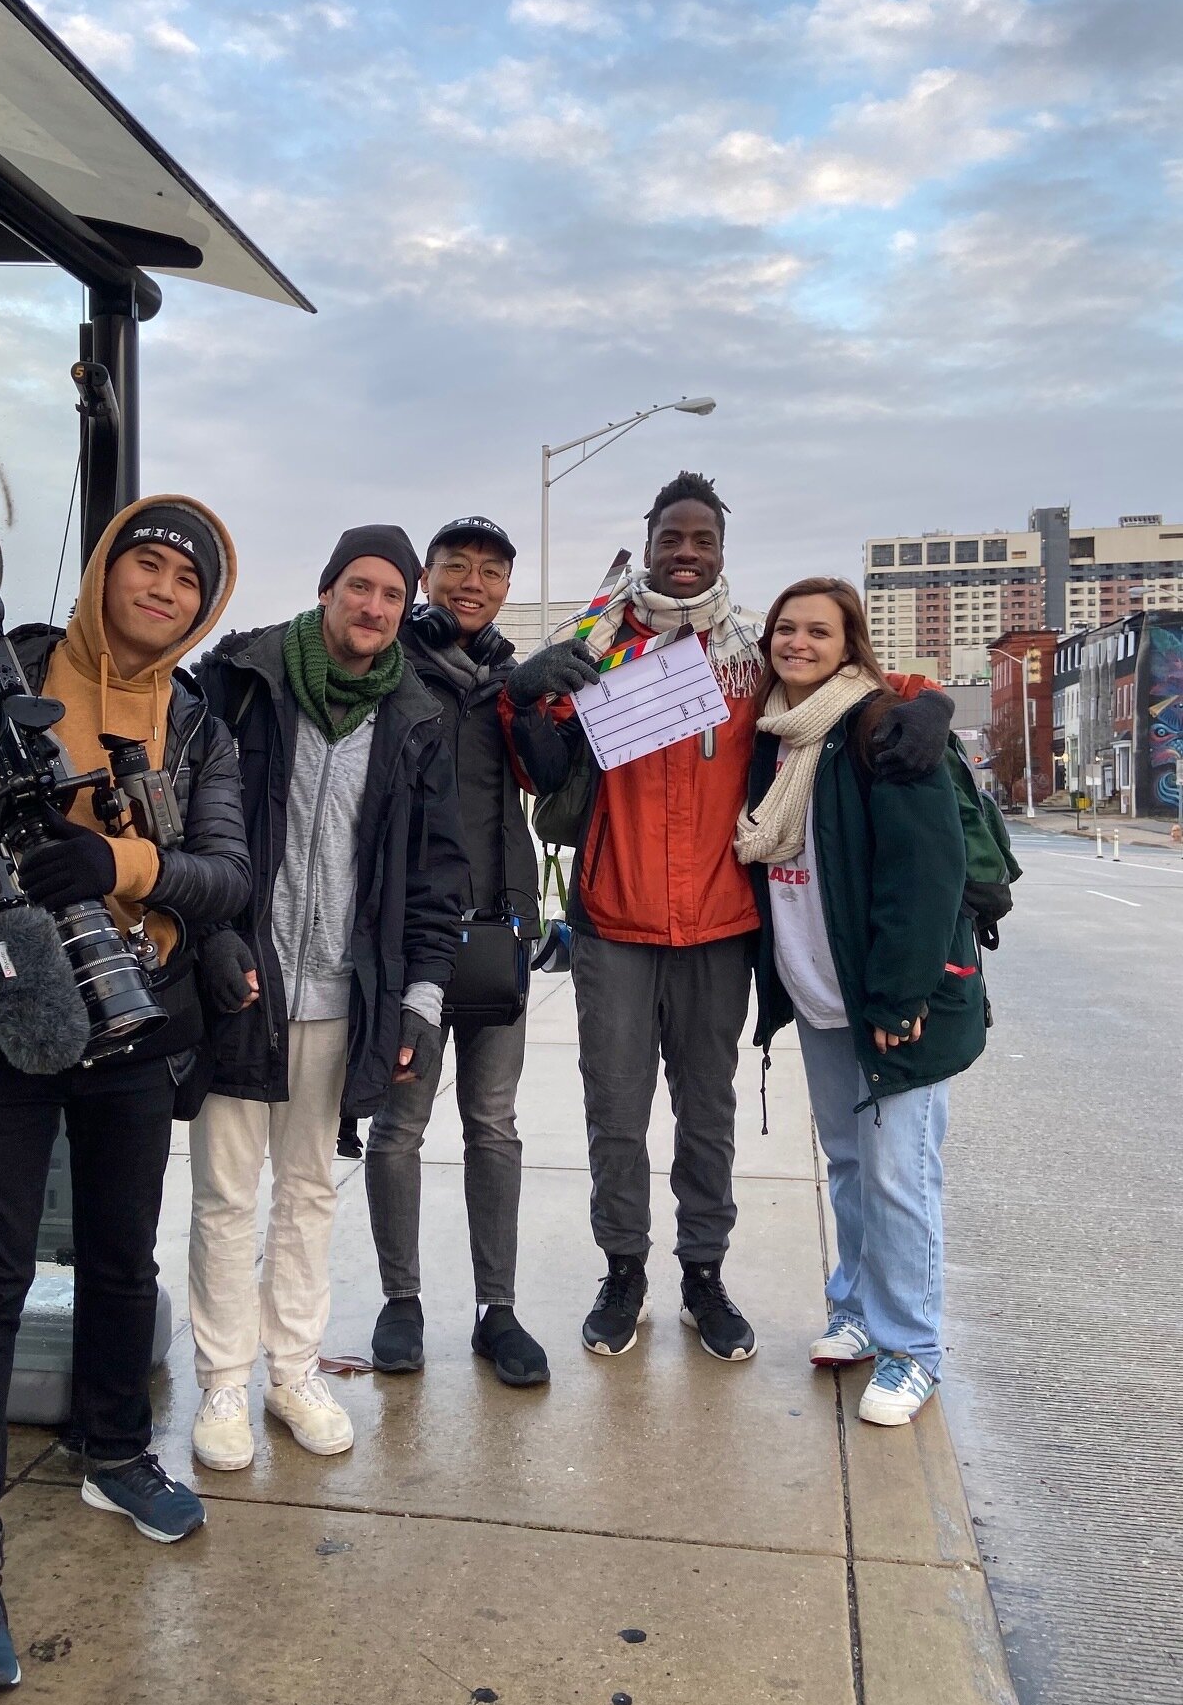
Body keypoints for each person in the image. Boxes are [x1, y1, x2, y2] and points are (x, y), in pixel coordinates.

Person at [0, 496, 251, 1699]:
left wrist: (121, 866)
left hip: (137, 1019)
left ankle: (111, 1450)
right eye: (145, 564)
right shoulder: (4, 680)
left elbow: (225, 873)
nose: (162, 590)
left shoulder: (197, 723)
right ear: (107, 570)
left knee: (119, 1260)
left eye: (185, 581)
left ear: (206, 606)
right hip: (5, 1013)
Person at [505, 472, 952, 1365]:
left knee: (708, 1116)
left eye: (701, 540)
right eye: (671, 537)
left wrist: (931, 705)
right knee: (615, 1115)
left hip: (719, 929)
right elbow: (536, 770)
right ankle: (622, 1270)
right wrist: (524, 693)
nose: (685, 553)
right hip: (615, 927)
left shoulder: (756, 658)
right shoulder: (597, 648)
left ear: (720, 552)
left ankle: (703, 1273)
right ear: (651, 540)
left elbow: (862, 686)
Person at [187, 526, 469, 1471]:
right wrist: (216, 941)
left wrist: (418, 1006)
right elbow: (192, 822)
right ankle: (223, 1382)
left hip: (345, 998)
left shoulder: (417, 717)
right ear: (327, 590)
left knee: (308, 1191)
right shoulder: (243, 682)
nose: (375, 609)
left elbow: (435, 876)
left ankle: (291, 1372)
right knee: (226, 1193)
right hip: (245, 987)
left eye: (393, 595)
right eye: (361, 587)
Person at [737, 579, 984, 1426]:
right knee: (847, 1165)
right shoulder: (775, 737)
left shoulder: (883, 730)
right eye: (785, 629)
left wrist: (899, 993)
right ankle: (855, 1311)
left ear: (850, 645)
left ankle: (913, 1347)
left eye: (818, 630)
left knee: (899, 1176)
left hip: (892, 999)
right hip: (818, 993)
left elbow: (926, 873)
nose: (797, 642)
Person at [365, 516, 549, 1388]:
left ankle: (496, 1310)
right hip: (414, 939)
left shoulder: (513, 682)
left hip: (498, 929)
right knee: (400, 1125)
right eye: (456, 567)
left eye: (491, 571)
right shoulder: (389, 669)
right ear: (428, 577)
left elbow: (550, 788)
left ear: (507, 586)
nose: (473, 582)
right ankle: (401, 1300)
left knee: (494, 1125)